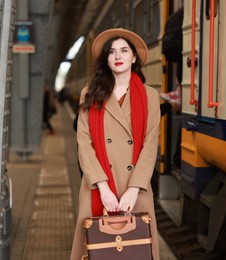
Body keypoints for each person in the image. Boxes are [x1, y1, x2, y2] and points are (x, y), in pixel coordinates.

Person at [70, 28, 161, 259]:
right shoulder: (90, 93)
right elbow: (84, 141)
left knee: (136, 249)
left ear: (133, 57)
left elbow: (150, 145)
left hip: (136, 187)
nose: (118, 56)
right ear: (106, 59)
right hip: (98, 185)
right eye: (112, 52)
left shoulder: (149, 96)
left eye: (124, 51)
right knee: (97, 249)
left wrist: (133, 190)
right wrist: (103, 188)